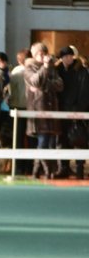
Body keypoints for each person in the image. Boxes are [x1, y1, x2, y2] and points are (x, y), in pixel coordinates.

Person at [24, 42, 64, 179]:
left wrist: (44, 85)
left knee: (50, 144)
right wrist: (45, 69)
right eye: (40, 53)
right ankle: (45, 171)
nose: (43, 56)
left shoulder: (53, 69)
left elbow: (60, 85)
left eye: (44, 53)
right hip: (38, 111)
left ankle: (40, 171)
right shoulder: (29, 68)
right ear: (34, 55)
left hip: (52, 111)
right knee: (42, 142)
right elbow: (35, 81)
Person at [55, 45, 88, 179]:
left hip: (78, 112)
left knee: (80, 139)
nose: (67, 58)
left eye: (69, 56)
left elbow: (85, 92)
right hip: (61, 111)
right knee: (63, 140)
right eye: (64, 56)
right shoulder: (57, 71)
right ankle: (64, 167)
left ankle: (80, 168)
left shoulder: (81, 71)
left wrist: (79, 110)